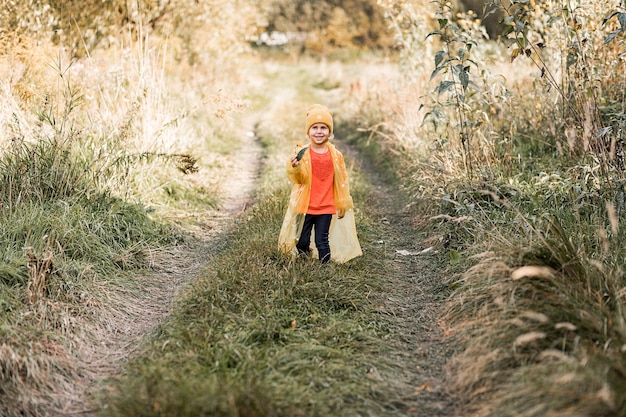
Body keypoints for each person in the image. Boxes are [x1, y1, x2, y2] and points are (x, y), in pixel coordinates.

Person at [278, 104, 362, 264]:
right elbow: (299, 178)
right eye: (314, 127)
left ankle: (325, 269)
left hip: (326, 205)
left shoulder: (336, 155)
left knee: (322, 241)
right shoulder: (303, 153)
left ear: (329, 132)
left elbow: (342, 180)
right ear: (308, 132)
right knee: (302, 240)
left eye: (323, 127)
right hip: (306, 204)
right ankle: (305, 262)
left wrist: (342, 202)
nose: (319, 131)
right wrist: (295, 168)